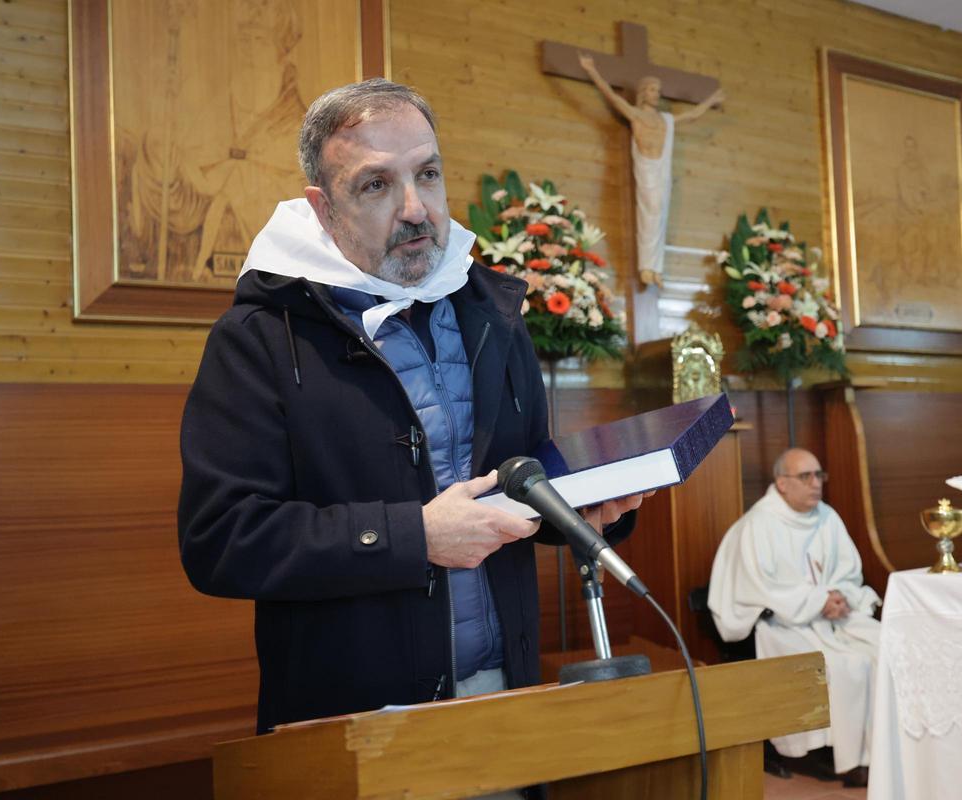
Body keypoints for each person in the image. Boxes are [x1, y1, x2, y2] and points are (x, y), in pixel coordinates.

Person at [177, 79, 643, 738]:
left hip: (505, 694)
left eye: (427, 173)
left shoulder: (493, 313)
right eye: (376, 185)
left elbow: (524, 462)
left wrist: (576, 512)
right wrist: (413, 537)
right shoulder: (259, 337)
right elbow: (220, 541)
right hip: (358, 715)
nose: (416, 208)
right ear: (322, 207)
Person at [707, 448, 880, 788]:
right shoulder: (759, 523)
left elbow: (849, 571)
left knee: (882, 649)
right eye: (806, 477)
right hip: (780, 622)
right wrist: (818, 601)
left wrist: (840, 595)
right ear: (782, 483)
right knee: (843, 666)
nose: (816, 484)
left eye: (819, 475)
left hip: (830, 616)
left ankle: (877, 752)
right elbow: (759, 587)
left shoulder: (827, 517)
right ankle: (837, 755)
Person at [577, 53, 724, 289]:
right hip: (645, 169)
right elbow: (613, 98)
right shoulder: (636, 115)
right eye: (653, 90)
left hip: (660, 170)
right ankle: (646, 267)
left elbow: (693, 115)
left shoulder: (666, 120)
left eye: (658, 90)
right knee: (649, 213)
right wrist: (591, 70)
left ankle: (655, 268)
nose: (657, 94)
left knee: (660, 215)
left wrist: (711, 99)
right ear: (644, 92)